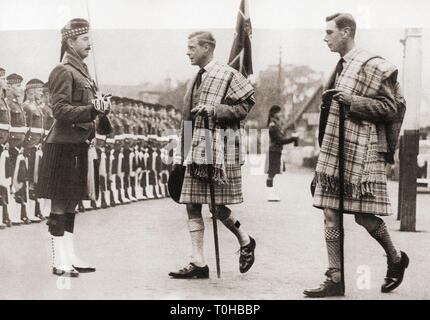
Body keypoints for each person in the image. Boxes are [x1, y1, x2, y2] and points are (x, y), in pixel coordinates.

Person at [304, 13, 408, 297]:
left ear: (346, 32)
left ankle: (396, 259)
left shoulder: (371, 65)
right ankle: (335, 277)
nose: (324, 37)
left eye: (329, 32)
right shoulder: (339, 67)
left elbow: (390, 107)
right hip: (335, 150)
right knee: (329, 211)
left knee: (363, 216)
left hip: (362, 149)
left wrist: (353, 101)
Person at [169, 31, 256, 279]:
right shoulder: (193, 79)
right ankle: (198, 262)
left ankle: (245, 240)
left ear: (207, 48)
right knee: (191, 203)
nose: (188, 51)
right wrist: (179, 157)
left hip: (220, 145)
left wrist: (215, 110)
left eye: (192, 47)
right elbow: (187, 120)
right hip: (196, 147)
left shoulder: (228, 74)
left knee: (217, 207)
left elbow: (245, 106)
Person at [36, 18, 110, 277]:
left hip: (79, 145)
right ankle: (59, 260)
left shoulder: (83, 72)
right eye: (85, 39)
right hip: (63, 146)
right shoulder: (63, 70)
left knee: (71, 205)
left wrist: (101, 110)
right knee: (59, 205)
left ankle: (69, 254)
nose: (91, 43)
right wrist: (91, 110)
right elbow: (60, 110)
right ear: (71, 41)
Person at [265, 105, 298, 201]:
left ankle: (271, 193)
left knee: (274, 172)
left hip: (276, 150)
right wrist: (292, 139)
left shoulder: (276, 124)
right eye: (279, 112)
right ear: (274, 113)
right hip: (274, 150)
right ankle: (270, 194)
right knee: (272, 173)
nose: (281, 114)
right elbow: (279, 140)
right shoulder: (273, 124)